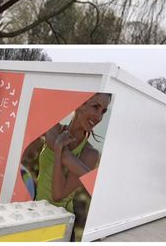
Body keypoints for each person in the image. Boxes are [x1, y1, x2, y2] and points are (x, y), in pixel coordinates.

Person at [35, 93, 111, 239]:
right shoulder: (54, 128)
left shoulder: (90, 154)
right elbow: (67, 158)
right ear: (78, 104)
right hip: (35, 212)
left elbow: (58, 195)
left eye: (103, 111)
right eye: (95, 107)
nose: (99, 117)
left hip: (61, 225)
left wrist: (58, 148)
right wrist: (83, 171)